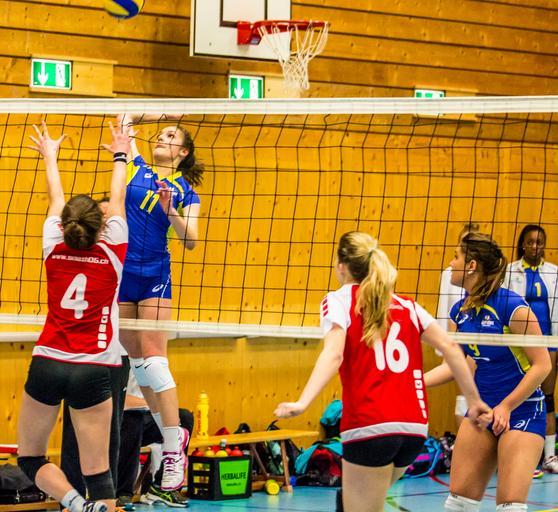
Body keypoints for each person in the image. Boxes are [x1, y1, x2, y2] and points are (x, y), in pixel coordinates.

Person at [274, 231, 492, 512]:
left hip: (369, 425)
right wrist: (474, 401)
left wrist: (302, 402)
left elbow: (334, 354)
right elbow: (451, 347)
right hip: (414, 428)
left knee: (360, 504)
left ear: (341, 266)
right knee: (357, 502)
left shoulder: (339, 300)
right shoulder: (408, 305)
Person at [17, 121, 130, 512]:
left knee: (30, 458)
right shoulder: (113, 250)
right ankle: (92, 505)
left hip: (48, 361)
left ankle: (76, 505)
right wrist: (121, 153)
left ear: (65, 225)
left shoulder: (53, 245)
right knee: (98, 473)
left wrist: (49, 156)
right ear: (102, 227)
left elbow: (55, 198)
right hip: (93, 368)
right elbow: (117, 199)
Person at [425, 232, 552, 512]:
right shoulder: (460, 311)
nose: (451, 263)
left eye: (456, 257)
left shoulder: (512, 307)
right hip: (483, 410)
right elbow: (455, 365)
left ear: (471, 266)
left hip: (522, 410)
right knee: (458, 503)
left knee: (509, 506)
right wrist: (415, 383)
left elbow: (543, 365)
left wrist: (506, 406)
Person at [118, 114, 202, 490]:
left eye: (170, 136)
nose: (161, 138)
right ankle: (172, 435)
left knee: (154, 359)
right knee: (138, 365)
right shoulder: (135, 167)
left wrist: (170, 207)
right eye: (161, 134)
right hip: (122, 275)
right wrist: (164, 114)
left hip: (154, 274)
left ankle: (172, 448)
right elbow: (123, 118)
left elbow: (191, 240)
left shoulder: (186, 191)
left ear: (182, 152)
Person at [61, 197, 131, 498]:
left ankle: (105, 499)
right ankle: (72, 499)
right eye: (100, 215)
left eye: (108, 215)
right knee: (74, 432)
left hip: (111, 355)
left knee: (110, 433)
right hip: (79, 354)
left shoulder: (120, 253)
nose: (106, 220)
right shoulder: (74, 252)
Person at [503, 224, 558, 474]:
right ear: (522, 244)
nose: (535, 246)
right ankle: (521, 456)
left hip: (549, 342)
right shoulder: (509, 271)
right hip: (520, 343)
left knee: (547, 398)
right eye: (530, 242)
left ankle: (549, 456)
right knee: (521, 396)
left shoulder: (554, 272)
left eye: (539, 242)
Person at [116, 372, 193, 508]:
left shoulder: (153, 364)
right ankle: (122, 493)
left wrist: (165, 409)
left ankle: (161, 487)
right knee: (133, 417)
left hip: (145, 416)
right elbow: (119, 400)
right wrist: (155, 404)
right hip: (114, 423)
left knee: (183, 417)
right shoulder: (119, 362)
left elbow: (163, 395)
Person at [437, 222, 480, 429]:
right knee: (465, 391)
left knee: (474, 391)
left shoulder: (494, 287)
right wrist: (444, 346)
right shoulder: (449, 274)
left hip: (481, 340)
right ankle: (460, 440)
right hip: (459, 336)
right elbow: (444, 308)